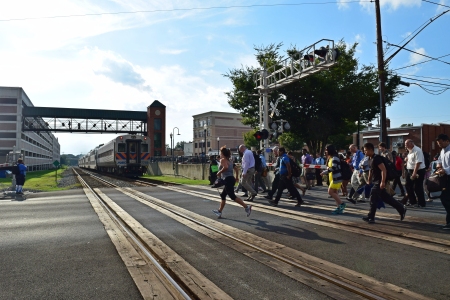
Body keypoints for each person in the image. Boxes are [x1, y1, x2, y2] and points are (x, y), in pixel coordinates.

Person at [362, 142, 407, 223]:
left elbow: (383, 170)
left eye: (365, 150)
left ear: (370, 150)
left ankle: (371, 217)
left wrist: (382, 182)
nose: (364, 152)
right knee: (386, 198)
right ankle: (401, 208)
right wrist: (369, 180)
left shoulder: (376, 158)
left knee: (373, 197)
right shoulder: (370, 159)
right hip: (376, 181)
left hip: (379, 181)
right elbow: (371, 170)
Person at [212, 147, 252, 218]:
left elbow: (226, 167)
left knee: (232, 196)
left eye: (220, 153)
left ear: (223, 154)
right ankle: (219, 211)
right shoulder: (230, 160)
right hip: (231, 179)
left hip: (228, 180)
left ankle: (247, 207)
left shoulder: (223, 160)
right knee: (223, 195)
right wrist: (236, 177)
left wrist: (219, 172)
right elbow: (236, 169)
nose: (220, 154)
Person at [320, 144, 347, 214]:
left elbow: (333, 168)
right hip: (333, 178)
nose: (325, 151)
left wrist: (324, 172)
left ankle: (342, 204)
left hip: (336, 178)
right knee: (335, 193)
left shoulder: (335, 158)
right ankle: (339, 208)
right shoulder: (331, 157)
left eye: (326, 150)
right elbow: (330, 167)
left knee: (330, 192)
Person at [404, 139, 427, 208]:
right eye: (405, 144)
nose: (406, 145)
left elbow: (418, 162)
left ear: (411, 143)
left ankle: (421, 203)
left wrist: (414, 173)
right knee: (408, 185)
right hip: (410, 170)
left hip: (418, 170)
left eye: (407, 144)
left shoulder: (417, 150)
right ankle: (412, 201)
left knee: (417, 187)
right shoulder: (409, 151)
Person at [435, 134, 450, 229]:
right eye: (438, 144)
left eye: (440, 143)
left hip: (448, 175)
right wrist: (439, 166)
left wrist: (445, 170)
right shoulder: (442, 150)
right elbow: (439, 160)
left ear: (447, 141)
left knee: (446, 199)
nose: (439, 145)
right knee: (445, 199)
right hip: (445, 177)